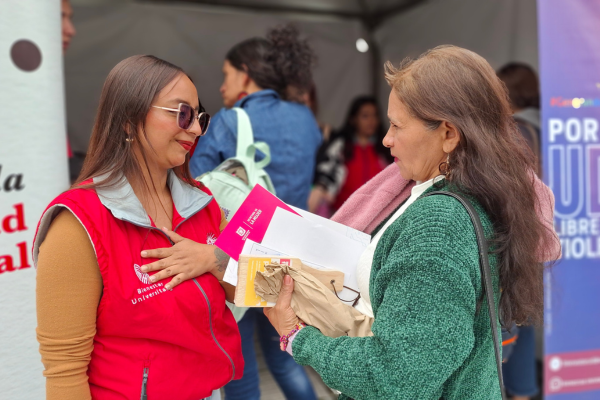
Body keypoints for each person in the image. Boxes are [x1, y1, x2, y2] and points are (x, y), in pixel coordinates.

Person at [264, 45, 560, 399]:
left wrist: (298, 338)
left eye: (396, 125)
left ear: (449, 134)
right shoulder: (472, 194)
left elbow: (398, 376)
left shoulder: (439, 225)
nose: (386, 139)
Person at [34, 55, 243, 400]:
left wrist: (214, 258)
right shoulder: (77, 223)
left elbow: (245, 291)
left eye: (200, 117)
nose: (195, 129)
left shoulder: (202, 201)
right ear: (129, 120)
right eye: (182, 113)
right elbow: (64, 369)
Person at [189, 25, 321, 400]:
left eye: (226, 75)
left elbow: (197, 185)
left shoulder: (232, 121)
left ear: (245, 73)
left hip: (240, 256)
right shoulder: (305, 119)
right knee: (287, 355)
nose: (221, 86)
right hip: (294, 255)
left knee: (239, 364)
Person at [497, 62, 543, 400]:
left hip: (515, 244)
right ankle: (523, 392)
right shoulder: (547, 128)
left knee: (503, 339)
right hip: (540, 244)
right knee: (524, 324)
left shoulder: (515, 132)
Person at [309, 96, 392, 214]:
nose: (371, 121)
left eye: (375, 115)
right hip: (341, 213)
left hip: (378, 213)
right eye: (365, 116)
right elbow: (325, 173)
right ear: (353, 119)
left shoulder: (386, 148)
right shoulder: (341, 145)